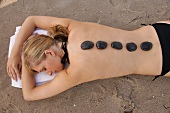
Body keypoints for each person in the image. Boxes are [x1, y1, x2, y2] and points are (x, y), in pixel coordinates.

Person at [7, 16, 170, 101]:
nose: (48, 74)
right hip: (160, 30)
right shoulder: (72, 27)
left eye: (43, 69)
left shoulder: (73, 73)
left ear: (49, 53)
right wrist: (18, 52)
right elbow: (31, 20)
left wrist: (24, 61)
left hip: (163, 62)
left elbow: (29, 94)